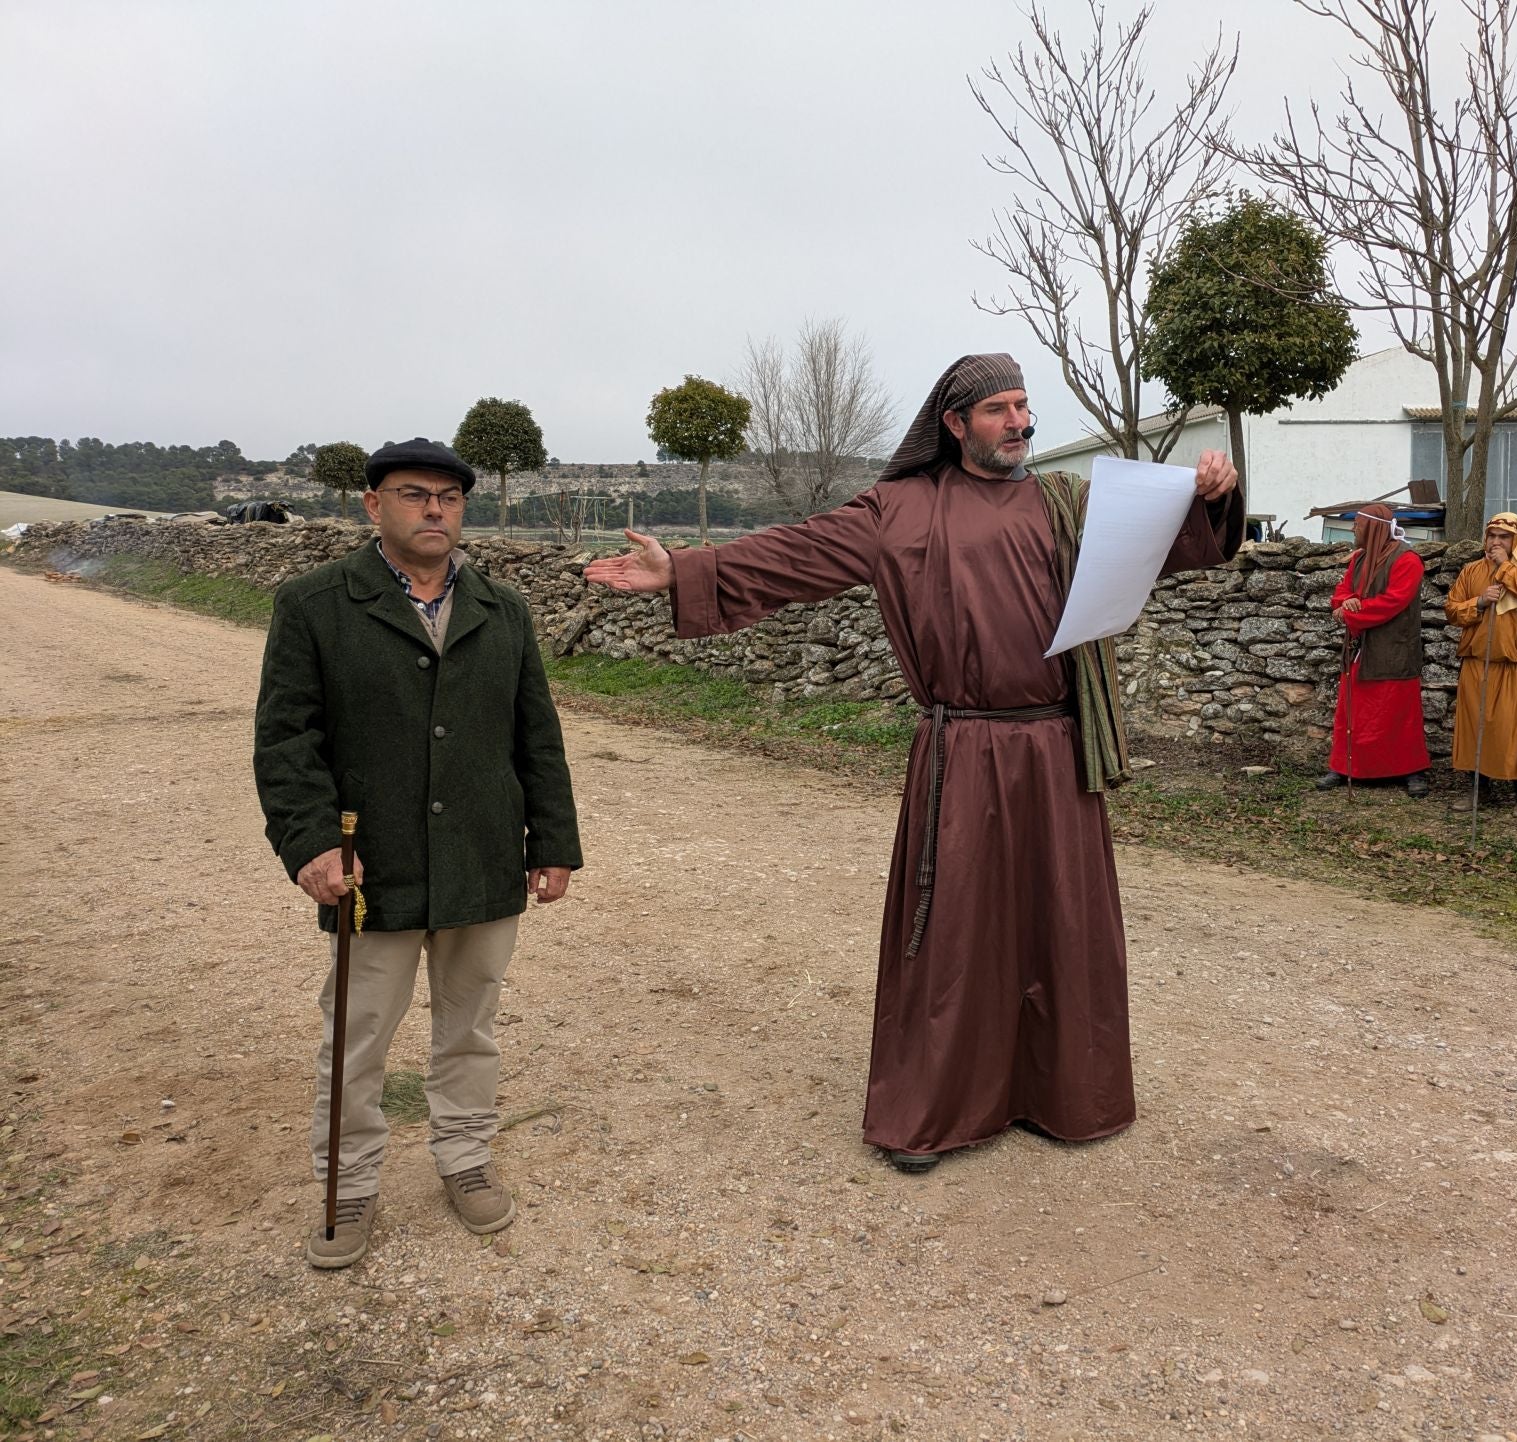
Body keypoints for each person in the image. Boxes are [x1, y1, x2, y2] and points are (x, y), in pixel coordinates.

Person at [584, 354, 1242, 1172]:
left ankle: (1065, 1095)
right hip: (961, 747)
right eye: (998, 409)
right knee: (956, 930)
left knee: (1061, 921)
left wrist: (1211, 494)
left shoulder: (1067, 501)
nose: (1018, 422)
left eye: (1023, 405)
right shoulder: (898, 509)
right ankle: (934, 1114)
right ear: (955, 424)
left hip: (1055, 743)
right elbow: (796, 555)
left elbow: (1168, 545)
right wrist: (683, 569)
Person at [253, 437, 583, 1268]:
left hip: (479, 856)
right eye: (413, 495)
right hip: (372, 866)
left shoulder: (502, 608)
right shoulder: (315, 604)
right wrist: (310, 842)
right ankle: (350, 1180)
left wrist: (553, 841)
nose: (435, 509)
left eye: (448, 496)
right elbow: (288, 740)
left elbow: (535, 733)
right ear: (372, 506)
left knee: (471, 1027)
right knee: (359, 1034)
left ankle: (465, 1159)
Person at [1316, 503, 1431, 796]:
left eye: (1358, 524)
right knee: (1352, 712)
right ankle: (1344, 766)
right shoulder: (1358, 560)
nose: (1354, 528)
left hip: (1395, 651)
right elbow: (1341, 593)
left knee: (1399, 714)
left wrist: (1353, 610)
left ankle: (1411, 771)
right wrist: (1346, 603)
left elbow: (1393, 601)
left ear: (1373, 528)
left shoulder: (1408, 561)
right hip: (1360, 649)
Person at [1444, 511, 1517, 818]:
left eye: (1503, 537)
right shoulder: (1472, 570)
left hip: (1514, 661)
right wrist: (1479, 602)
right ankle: (1478, 788)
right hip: (1477, 659)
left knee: (1513, 726)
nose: (1496, 542)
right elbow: (1451, 609)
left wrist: (1504, 567)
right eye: (1492, 536)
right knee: (1475, 726)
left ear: (1515, 539)